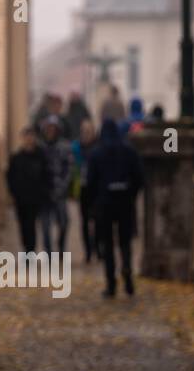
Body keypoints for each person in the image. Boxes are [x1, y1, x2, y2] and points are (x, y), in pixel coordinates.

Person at [82, 118, 145, 298]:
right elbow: (139, 177)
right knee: (125, 241)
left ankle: (111, 284)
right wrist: (131, 194)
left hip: (104, 203)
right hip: (125, 202)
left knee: (107, 244)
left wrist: (93, 203)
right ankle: (127, 273)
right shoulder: (129, 152)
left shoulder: (96, 153)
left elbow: (91, 182)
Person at [6, 127, 50, 252]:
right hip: (20, 199)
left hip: (35, 198)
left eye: (31, 137)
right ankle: (26, 249)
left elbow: (46, 175)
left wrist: (43, 192)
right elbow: (10, 176)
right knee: (23, 226)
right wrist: (13, 192)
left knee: (31, 226)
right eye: (27, 137)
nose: (29, 140)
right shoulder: (16, 158)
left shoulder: (41, 156)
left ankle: (30, 251)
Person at [38, 116, 73, 253]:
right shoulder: (40, 148)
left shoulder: (65, 146)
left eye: (53, 128)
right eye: (48, 128)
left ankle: (61, 246)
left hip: (60, 192)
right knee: (45, 227)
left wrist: (63, 186)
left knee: (64, 223)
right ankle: (48, 253)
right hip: (44, 193)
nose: (50, 131)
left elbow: (69, 168)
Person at [70, 118, 99, 263]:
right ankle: (88, 251)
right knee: (85, 221)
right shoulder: (75, 148)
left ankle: (98, 249)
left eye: (89, 131)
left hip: (96, 188)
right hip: (82, 188)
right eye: (84, 131)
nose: (86, 134)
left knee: (98, 220)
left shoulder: (99, 148)